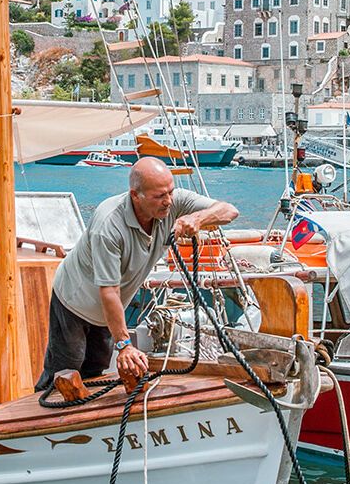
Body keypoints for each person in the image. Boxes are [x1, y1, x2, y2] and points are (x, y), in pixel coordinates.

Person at [36, 157, 239, 390]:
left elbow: (230, 211)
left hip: (109, 310)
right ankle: (35, 416)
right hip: (75, 300)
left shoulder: (175, 203)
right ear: (135, 195)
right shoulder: (109, 225)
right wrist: (124, 345)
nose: (168, 201)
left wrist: (197, 218)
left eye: (170, 192)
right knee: (63, 374)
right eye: (159, 196)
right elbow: (109, 291)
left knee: (95, 371)